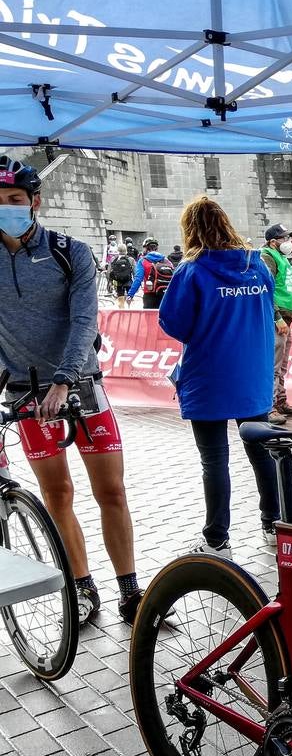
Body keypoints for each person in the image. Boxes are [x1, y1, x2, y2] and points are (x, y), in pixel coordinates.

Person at [0, 154, 142, 624]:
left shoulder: (69, 251)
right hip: (23, 394)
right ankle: (83, 587)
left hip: (81, 388)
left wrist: (64, 379)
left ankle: (130, 590)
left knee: (111, 493)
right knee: (56, 496)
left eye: (14, 200)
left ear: (34, 202)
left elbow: (85, 321)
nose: (6, 208)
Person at [159, 196, 280, 555]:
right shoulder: (256, 266)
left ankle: (217, 539)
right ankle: (274, 524)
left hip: (209, 375)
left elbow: (174, 323)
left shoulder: (191, 270)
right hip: (252, 374)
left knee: (214, 460)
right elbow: (268, 308)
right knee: (261, 454)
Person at [260, 223, 292, 425]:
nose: (289, 242)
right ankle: (269, 407)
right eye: (284, 238)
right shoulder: (267, 257)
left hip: (285, 319)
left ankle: (280, 401)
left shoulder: (281, 257)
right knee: (274, 365)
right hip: (277, 320)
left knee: (282, 364)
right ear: (273, 241)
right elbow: (266, 289)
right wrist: (276, 317)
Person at [129, 237, 173, 310]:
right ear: (156, 248)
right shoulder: (166, 261)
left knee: (149, 320)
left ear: (146, 248)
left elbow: (138, 279)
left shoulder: (142, 261)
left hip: (149, 294)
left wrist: (131, 294)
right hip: (165, 294)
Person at [110, 242, 135, 308]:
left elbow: (109, 272)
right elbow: (135, 272)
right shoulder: (131, 259)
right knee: (130, 298)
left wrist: (110, 282)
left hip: (118, 283)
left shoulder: (113, 259)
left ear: (118, 250)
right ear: (126, 250)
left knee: (120, 299)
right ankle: (130, 310)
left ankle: (122, 311)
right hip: (128, 282)